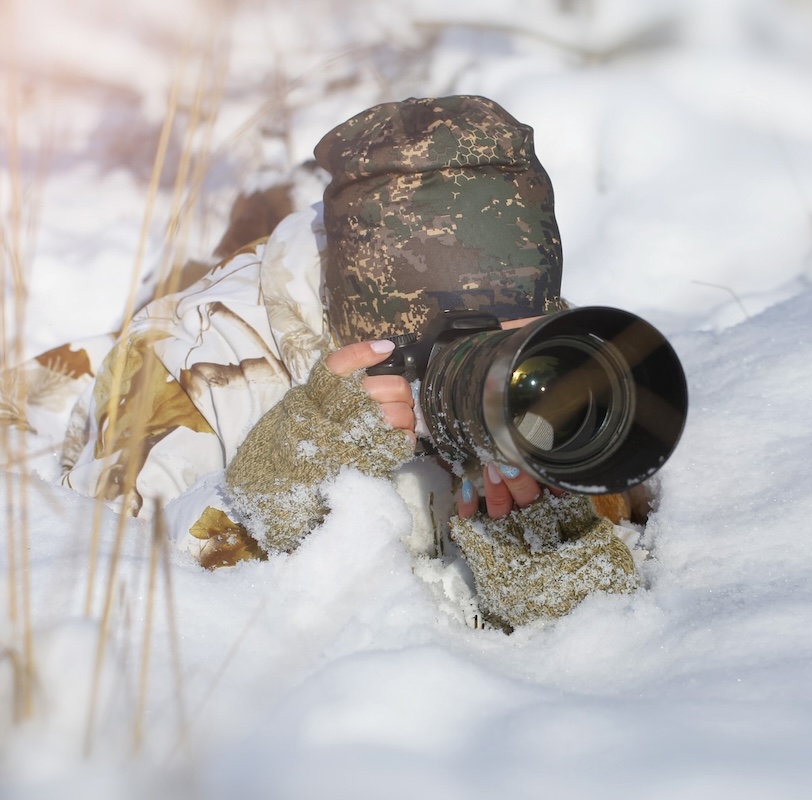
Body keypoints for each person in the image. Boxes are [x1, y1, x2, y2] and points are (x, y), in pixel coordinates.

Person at [1, 96, 643, 629]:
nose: (486, 361)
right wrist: (288, 480)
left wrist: (551, 558)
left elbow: (622, 604)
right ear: (353, 317)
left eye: (509, 332)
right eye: (439, 343)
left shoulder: (548, 351)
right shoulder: (187, 368)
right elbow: (110, 613)